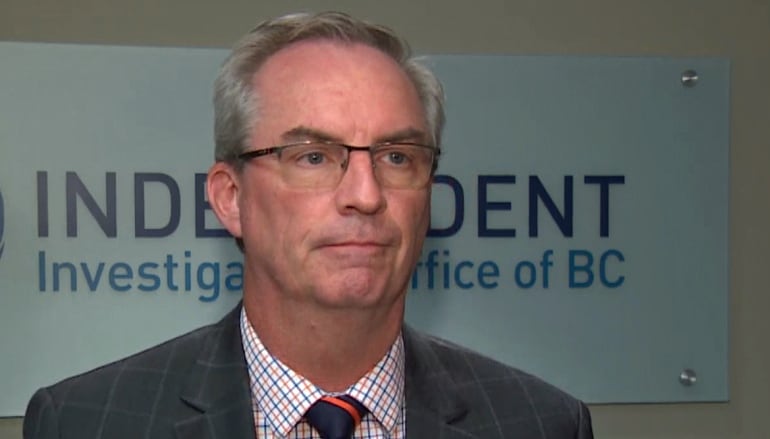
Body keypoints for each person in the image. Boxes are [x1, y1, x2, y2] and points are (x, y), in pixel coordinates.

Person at [24, 11, 593, 439]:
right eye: (313, 157)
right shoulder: (85, 421)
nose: (366, 196)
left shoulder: (539, 423)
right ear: (230, 197)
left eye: (397, 157)